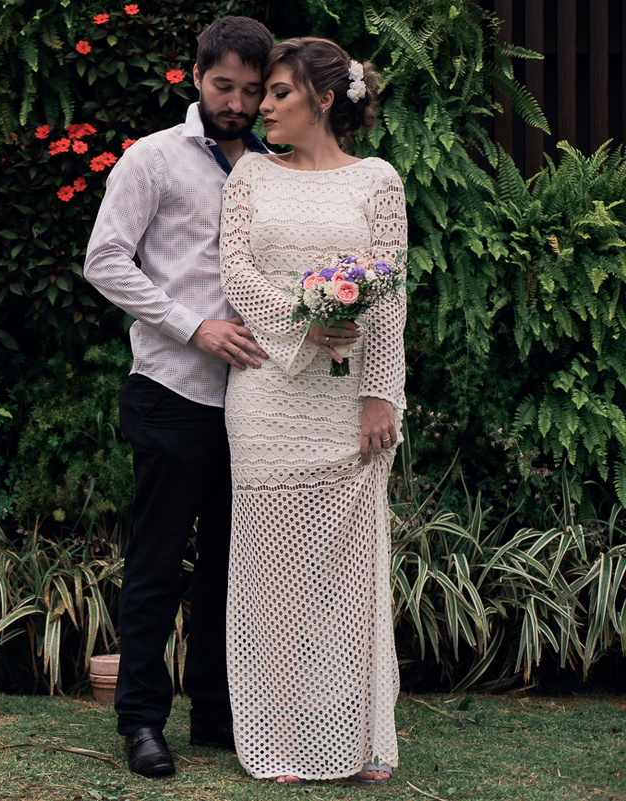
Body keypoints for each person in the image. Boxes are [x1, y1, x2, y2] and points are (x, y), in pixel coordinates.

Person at [83, 16, 275, 779]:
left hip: (256, 402)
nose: (236, 102)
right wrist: (191, 326)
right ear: (195, 75)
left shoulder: (273, 167)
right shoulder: (152, 159)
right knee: (158, 564)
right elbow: (104, 260)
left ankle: (217, 715)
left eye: (252, 91)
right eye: (223, 85)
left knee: (231, 570)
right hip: (170, 389)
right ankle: (140, 721)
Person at [218, 36, 406, 786]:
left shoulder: (378, 182)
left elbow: (390, 295)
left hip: (346, 402)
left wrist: (378, 394)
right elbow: (235, 271)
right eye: (264, 95)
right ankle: (282, 740)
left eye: (279, 94)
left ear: (324, 100)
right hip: (265, 393)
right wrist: (303, 314)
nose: (262, 107)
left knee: (349, 574)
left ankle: (359, 738)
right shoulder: (249, 176)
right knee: (276, 577)